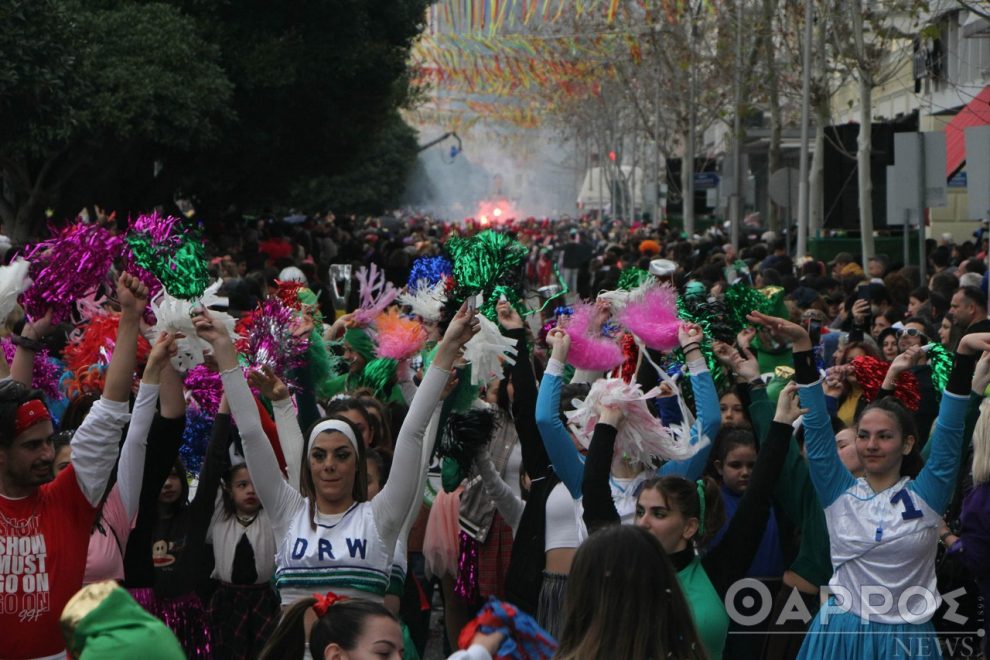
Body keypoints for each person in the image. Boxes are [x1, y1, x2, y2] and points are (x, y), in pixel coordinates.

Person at [197, 302, 477, 655]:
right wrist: (225, 352)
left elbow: (411, 436)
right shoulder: (288, 512)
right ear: (308, 465)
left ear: (358, 465)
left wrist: (447, 348)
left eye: (342, 455)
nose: (329, 464)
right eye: (319, 455)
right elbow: (252, 435)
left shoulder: (381, 517)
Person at [748, 310, 986, 658]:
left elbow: (950, 432)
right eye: (863, 435)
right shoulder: (836, 490)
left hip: (905, 641)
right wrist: (802, 345)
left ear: (906, 444)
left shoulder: (927, 493)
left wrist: (964, 356)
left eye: (884, 436)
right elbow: (816, 429)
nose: (871, 444)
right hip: (836, 636)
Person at [0, 273, 146, 659]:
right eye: (32, 446)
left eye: (49, 441)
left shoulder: (68, 500)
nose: (48, 455)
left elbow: (111, 410)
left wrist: (130, 318)